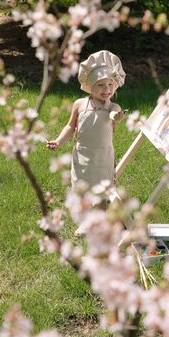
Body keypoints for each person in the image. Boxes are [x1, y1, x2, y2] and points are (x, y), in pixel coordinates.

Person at [46, 50, 126, 234]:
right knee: (82, 189)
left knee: (101, 191)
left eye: (110, 84)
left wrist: (117, 116)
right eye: (100, 85)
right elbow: (70, 127)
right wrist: (58, 141)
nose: (107, 89)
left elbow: (116, 114)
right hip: (82, 154)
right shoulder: (80, 104)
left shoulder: (111, 106)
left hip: (103, 155)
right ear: (90, 85)